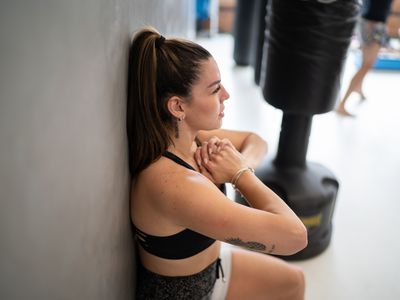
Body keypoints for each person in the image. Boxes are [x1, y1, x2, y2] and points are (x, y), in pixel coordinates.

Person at [127, 26, 308, 300]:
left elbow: (255, 140)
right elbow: (295, 237)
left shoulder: (190, 139)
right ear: (177, 107)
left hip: (211, 272)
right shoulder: (175, 185)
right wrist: (238, 174)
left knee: (292, 282)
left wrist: (235, 162)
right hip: (187, 294)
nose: (226, 94)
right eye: (214, 90)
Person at [337, 0, 393, 117]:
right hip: (373, 23)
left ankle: (358, 89)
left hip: (368, 21)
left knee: (365, 63)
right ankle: (342, 104)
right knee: (367, 65)